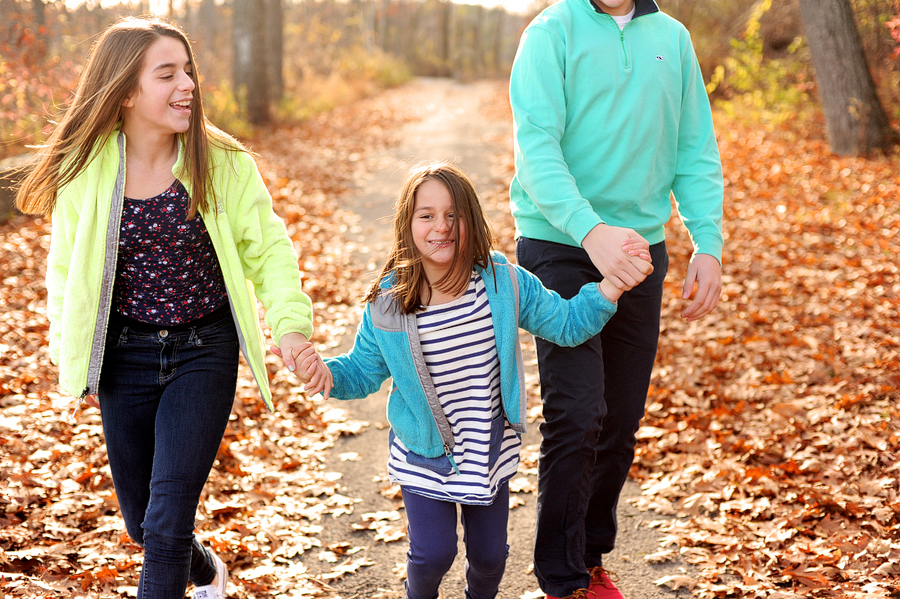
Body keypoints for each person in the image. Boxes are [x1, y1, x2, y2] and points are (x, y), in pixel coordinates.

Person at [15, 17, 331, 599]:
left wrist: (290, 329)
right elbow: (64, 265)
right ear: (127, 90)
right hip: (124, 357)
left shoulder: (222, 162)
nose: (187, 84)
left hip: (202, 352)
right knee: (141, 521)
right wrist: (70, 350)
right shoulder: (85, 168)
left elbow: (270, 249)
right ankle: (207, 570)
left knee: (164, 526)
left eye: (188, 71)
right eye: (168, 74)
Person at [287, 161, 652, 599]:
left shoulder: (502, 284)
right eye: (426, 215)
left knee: (490, 557)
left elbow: (567, 323)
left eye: (453, 216)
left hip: (486, 451)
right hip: (423, 454)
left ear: (471, 221)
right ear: (407, 224)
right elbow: (361, 372)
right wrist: (324, 372)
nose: (440, 227)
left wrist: (610, 286)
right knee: (432, 554)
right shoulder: (389, 304)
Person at [508, 0, 725, 597]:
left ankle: (591, 554)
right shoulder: (551, 31)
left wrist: (706, 240)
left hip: (639, 252)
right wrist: (589, 230)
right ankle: (561, 577)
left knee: (621, 419)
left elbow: (694, 147)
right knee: (577, 412)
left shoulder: (673, 38)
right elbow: (536, 147)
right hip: (558, 243)